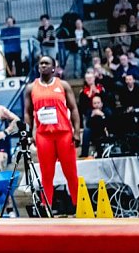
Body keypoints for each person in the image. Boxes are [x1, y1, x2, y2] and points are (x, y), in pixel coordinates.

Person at [23, 56, 80, 211]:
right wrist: (28, 134)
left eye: (46, 63)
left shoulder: (63, 85)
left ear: (54, 67)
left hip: (64, 134)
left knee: (71, 173)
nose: (43, 65)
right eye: (40, 63)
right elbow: (27, 113)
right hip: (43, 136)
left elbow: (74, 109)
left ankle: (78, 205)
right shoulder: (30, 88)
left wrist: (77, 132)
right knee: (47, 175)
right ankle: (46, 206)